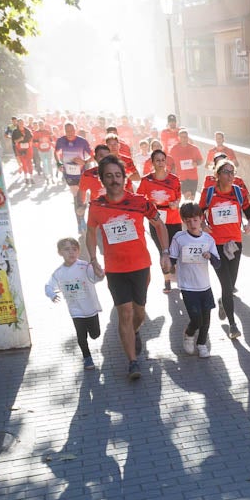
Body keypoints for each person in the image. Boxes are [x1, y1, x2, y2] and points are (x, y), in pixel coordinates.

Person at [83, 154, 172, 381]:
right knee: (125, 312)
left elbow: (159, 224)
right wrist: (93, 259)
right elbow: (91, 233)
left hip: (140, 266)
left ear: (124, 178)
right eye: (109, 176)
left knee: (139, 311)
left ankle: (134, 331)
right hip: (115, 269)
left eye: (118, 175)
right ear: (102, 180)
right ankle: (132, 362)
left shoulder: (140, 202)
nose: (114, 180)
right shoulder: (96, 206)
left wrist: (165, 252)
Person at [199, 156, 250, 339]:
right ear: (217, 174)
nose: (230, 176)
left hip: (235, 243)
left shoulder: (238, 192)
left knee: (230, 285)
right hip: (216, 244)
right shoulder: (209, 193)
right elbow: (198, 213)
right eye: (226, 172)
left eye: (232, 172)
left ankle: (224, 300)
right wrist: (203, 226)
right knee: (225, 283)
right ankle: (232, 324)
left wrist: (248, 225)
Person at [167, 203, 221, 358]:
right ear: (184, 221)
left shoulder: (208, 239)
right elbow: (172, 258)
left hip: (204, 285)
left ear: (201, 219)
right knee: (196, 319)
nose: (192, 224)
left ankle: (202, 344)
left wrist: (210, 257)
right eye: (188, 221)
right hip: (187, 286)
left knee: (206, 319)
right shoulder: (179, 238)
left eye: (195, 220)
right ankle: (189, 334)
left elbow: (218, 263)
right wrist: (167, 265)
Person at [44, 236, 104, 371]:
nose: (71, 252)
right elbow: (48, 286)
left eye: (74, 249)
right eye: (66, 249)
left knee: (95, 334)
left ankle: (93, 333)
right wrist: (52, 294)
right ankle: (87, 358)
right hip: (75, 311)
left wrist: (100, 274)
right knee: (81, 336)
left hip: (91, 308)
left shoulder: (84, 266)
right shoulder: (58, 273)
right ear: (60, 252)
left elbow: (95, 278)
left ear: (78, 251)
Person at [136, 149, 184, 292]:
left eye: (163, 160)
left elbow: (178, 196)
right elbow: (139, 198)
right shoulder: (146, 180)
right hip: (155, 220)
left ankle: (174, 268)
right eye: (157, 160)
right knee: (163, 251)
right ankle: (167, 280)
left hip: (173, 219)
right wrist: (148, 208)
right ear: (152, 162)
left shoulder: (174, 179)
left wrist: (176, 203)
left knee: (175, 250)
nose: (161, 163)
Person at [53, 123, 96, 233]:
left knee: (83, 197)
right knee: (76, 197)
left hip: (82, 174)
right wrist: (58, 163)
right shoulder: (61, 141)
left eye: (71, 130)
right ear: (64, 131)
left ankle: (84, 208)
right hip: (69, 175)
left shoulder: (82, 141)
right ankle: (80, 222)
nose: (69, 133)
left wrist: (85, 161)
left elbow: (93, 156)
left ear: (75, 130)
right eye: (67, 131)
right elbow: (56, 152)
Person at [169, 129, 204, 200]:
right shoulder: (174, 149)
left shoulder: (194, 148)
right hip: (181, 177)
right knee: (187, 196)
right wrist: (172, 172)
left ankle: (190, 210)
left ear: (188, 137)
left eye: (185, 137)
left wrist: (196, 163)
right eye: (182, 137)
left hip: (193, 177)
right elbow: (170, 163)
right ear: (178, 138)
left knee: (192, 198)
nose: (184, 139)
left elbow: (201, 161)